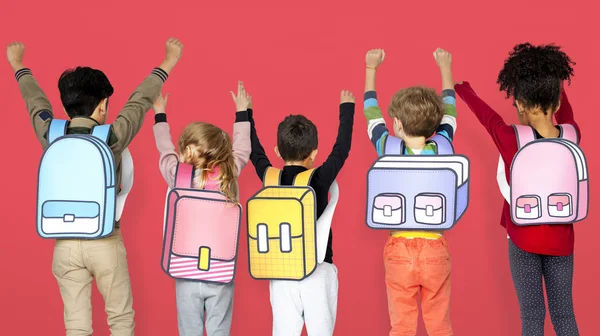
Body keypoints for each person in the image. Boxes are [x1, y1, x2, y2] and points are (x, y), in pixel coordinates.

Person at [7, 38, 183, 336]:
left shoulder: (51, 134)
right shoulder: (112, 137)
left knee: (76, 324)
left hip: (64, 245)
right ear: (103, 105)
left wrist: (18, 65)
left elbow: (35, 102)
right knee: (120, 319)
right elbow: (139, 102)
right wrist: (168, 62)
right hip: (104, 241)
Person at [454, 43, 579, 336]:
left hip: (522, 239)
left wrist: (464, 90)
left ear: (520, 105)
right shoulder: (572, 135)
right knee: (564, 315)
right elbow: (567, 111)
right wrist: (555, 77)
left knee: (532, 318)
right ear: (557, 103)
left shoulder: (512, 139)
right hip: (562, 241)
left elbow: (489, 119)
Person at [363, 48, 457, 336]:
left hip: (400, 248)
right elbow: (451, 108)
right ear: (435, 125)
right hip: (435, 249)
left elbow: (371, 115)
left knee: (401, 326)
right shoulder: (442, 146)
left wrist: (371, 69)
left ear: (398, 125)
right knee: (439, 324)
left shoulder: (388, 149)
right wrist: (444, 67)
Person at [248, 89, 355, 336]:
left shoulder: (270, 177)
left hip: (281, 272)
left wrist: (246, 113)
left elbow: (255, 153)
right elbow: (342, 149)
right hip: (318, 270)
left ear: (277, 151)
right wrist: (346, 108)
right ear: (314, 154)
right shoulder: (319, 177)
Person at [152, 81, 251, 336]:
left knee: (189, 331)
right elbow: (242, 151)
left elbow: (165, 150)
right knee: (219, 331)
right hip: (221, 270)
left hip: (185, 270)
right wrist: (242, 112)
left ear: (185, 151)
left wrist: (159, 114)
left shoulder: (177, 176)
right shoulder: (229, 176)